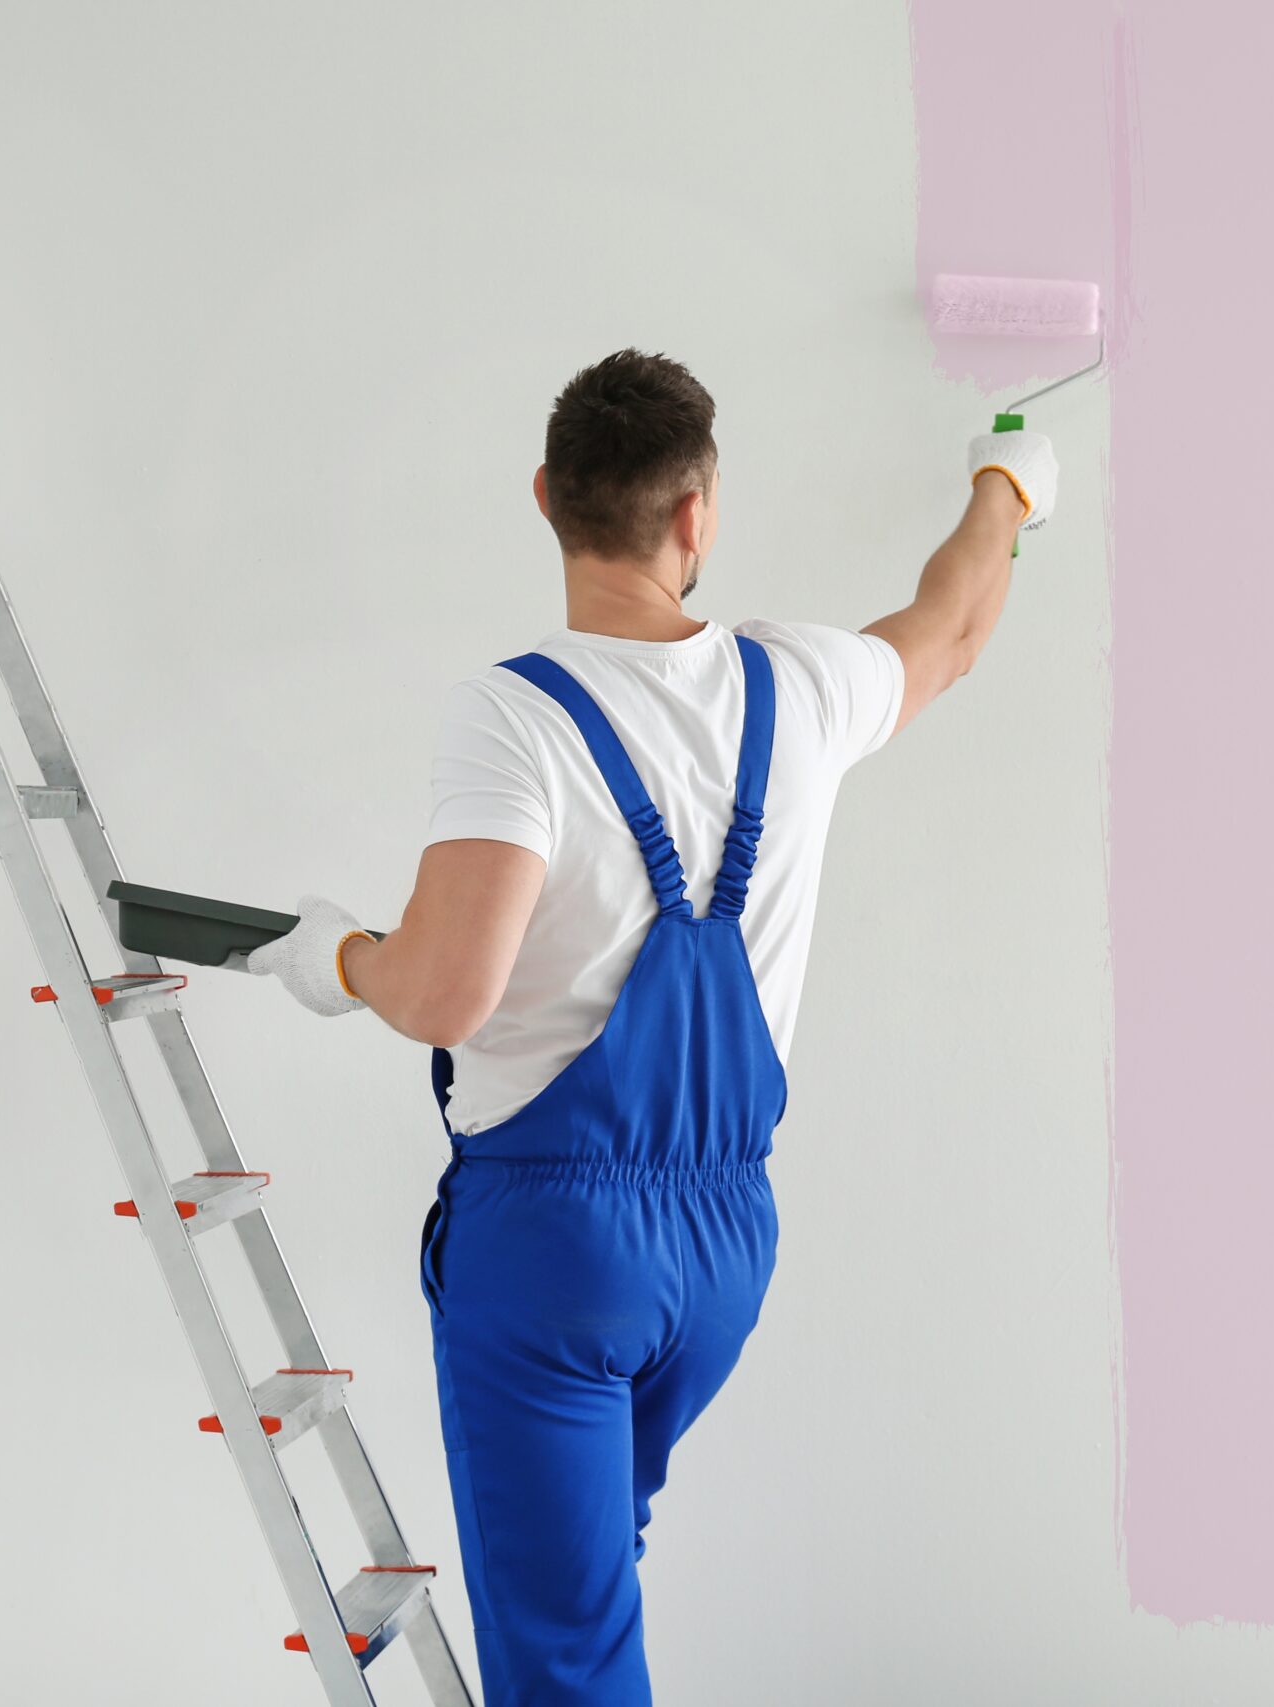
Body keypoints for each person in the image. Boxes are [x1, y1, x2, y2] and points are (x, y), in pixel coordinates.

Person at [248, 349, 1057, 1706]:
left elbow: (443, 992)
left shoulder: (515, 717)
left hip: (556, 1253)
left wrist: (334, 955)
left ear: (546, 497)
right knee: (590, 1578)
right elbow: (955, 629)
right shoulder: (798, 686)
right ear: (698, 516)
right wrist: (1006, 491)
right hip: (724, 1253)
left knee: (565, 1657)